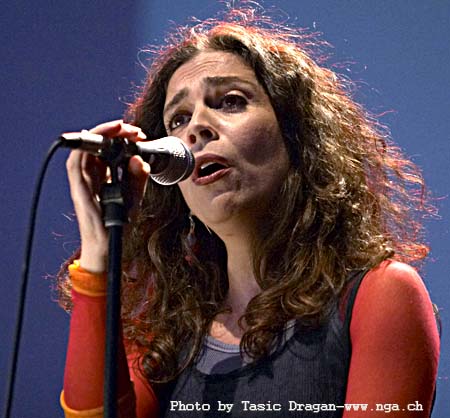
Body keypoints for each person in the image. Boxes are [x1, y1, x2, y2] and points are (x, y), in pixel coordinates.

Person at [57, 5, 440, 418]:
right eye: (178, 120)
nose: (196, 127)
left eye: (230, 101)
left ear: (297, 135)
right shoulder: (165, 335)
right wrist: (98, 251)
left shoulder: (380, 296)